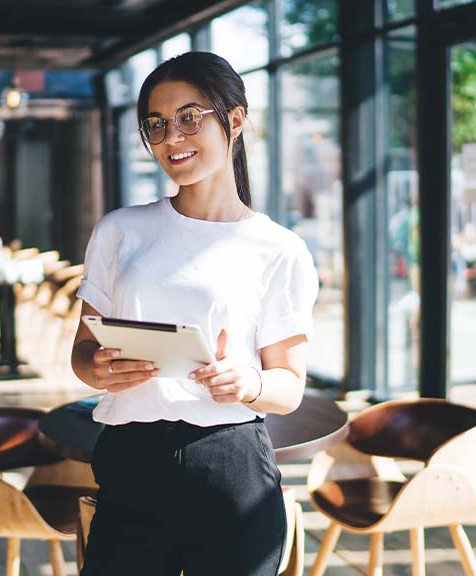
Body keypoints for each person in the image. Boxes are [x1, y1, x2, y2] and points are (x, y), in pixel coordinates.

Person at [70, 51, 319, 576]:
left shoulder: (279, 248)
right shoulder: (120, 230)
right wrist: (99, 369)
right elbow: (82, 351)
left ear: (234, 120)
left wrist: (247, 382)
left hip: (231, 465)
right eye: (156, 125)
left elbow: (288, 388)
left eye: (189, 117)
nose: (172, 138)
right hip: (130, 461)